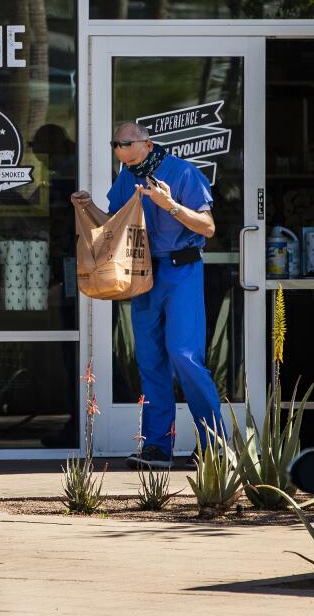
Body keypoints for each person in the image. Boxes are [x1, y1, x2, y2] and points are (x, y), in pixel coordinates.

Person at [71, 122, 222, 469]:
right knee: (150, 360)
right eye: (117, 151)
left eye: (126, 148)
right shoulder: (127, 177)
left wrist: (169, 205)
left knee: (184, 355)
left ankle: (214, 446)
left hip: (182, 270)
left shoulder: (183, 173)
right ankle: (157, 447)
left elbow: (208, 227)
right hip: (142, 272)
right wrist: (87, 207)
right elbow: (112, 223)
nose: (122, 158)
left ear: (147, 144)